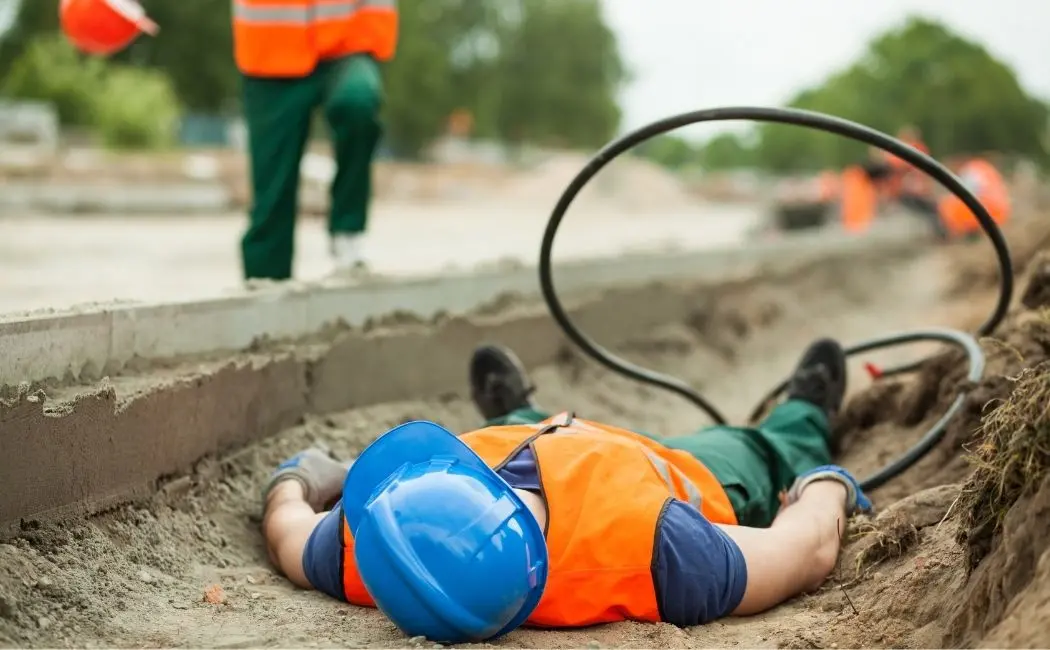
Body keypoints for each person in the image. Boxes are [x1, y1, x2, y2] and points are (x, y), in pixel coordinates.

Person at [260, 339, 872, 643]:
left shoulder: (381, 551)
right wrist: (826, 487)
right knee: (762, 448)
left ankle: (523, 409)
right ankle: (805, 412)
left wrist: (299, 477)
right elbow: (805, 551)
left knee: (527, 429)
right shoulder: (663, 553)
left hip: (540, 434)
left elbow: (289, 530)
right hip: (674, 471)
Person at [232, 0, 398, 280]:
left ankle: (348, 232)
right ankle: (266, 287)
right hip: (271, 47)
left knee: (357, 101)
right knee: (272, 192)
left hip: (349, 39)